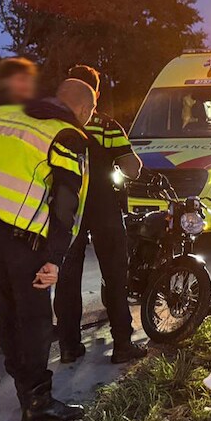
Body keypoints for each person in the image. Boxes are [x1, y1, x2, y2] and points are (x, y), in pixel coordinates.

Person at [0, 79, 95, 421]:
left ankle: (23, 385)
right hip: (24, 240)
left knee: (7, 312)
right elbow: (67, 203)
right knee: (35, 320)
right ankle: (37, 402)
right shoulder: (66, 135)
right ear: (84, 109)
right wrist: (56, 257)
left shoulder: (3, 114)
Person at [53, 65, 145, 365]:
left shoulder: (50, 125)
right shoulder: (106, 126)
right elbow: (132, 168)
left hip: (66, 210)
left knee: (67, 278)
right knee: (115, 276)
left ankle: (69, 346)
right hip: (103, 207)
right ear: (95, 93)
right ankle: (122, 345)